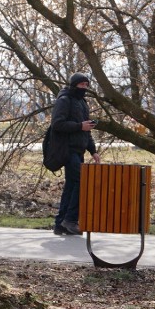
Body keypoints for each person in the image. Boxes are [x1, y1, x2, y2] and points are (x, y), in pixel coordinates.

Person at [50, 72, 101, 235]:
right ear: (74, 85)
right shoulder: (64, 100)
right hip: (67, 150)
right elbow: (57, 124)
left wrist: (93, 150)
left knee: (72, 185)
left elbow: (86, 129)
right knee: (81, 182)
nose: (84, 88)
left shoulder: (82, 102)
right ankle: (70, 220)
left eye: (86, 85)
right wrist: (80, 126)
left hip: (79, 150)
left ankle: (60, 224)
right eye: (81, 85)